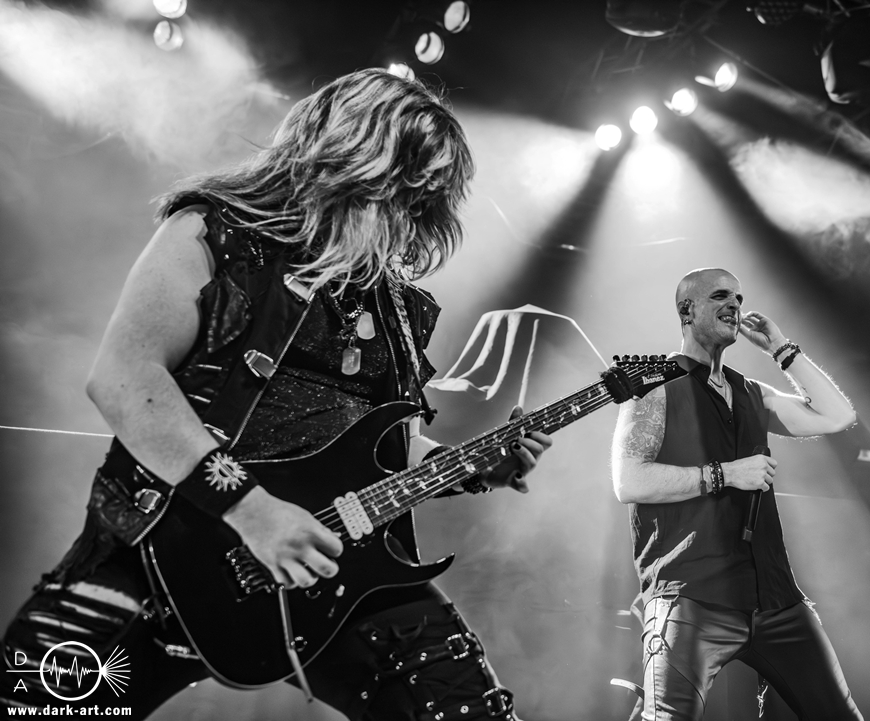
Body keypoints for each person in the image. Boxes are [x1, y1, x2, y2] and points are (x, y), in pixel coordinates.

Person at [1, 68, 551, 720]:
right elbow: (124, 379)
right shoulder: (212, 232)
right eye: (404, 185)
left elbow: (382, 449)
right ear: (351, 162)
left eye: (425, 196)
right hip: (159, 550)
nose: (412, 210)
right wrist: (253, 513)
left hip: (333, 573)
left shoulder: (397, 307)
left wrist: (472, 466)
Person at [611, 268, 862, 721]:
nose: (735, 305)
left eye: (740, 298)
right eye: (720, 295)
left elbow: (837, 416)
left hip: (776, 599)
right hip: (690, 597)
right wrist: (725, 474)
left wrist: (781, 348)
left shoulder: (750, 392)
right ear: (687, 310)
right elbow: (629, 481)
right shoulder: (653, 384)